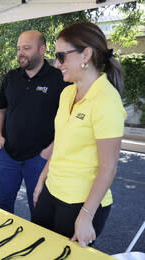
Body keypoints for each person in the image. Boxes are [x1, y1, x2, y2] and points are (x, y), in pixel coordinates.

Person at [31, 22, 126, 248]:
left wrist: (86, 214)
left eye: (61, 56)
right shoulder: (67, 93)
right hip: (53, 190)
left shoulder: (106, 101)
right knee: (37, 250)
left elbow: (108, 167)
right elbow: (61, 144)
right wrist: (42, 179)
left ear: (86, 54)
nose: (56, 64)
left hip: (80, 202)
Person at [0, 30, 67, 215]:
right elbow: (1, 109)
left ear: (42, 49)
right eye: (19, 48)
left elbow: (68, 121)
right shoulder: (10, 78)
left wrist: (49, 150)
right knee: (4, 204)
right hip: (8, 155)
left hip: (39, 158)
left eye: (26, 48)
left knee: (38, 209)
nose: (20, 53)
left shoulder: (59, 79)